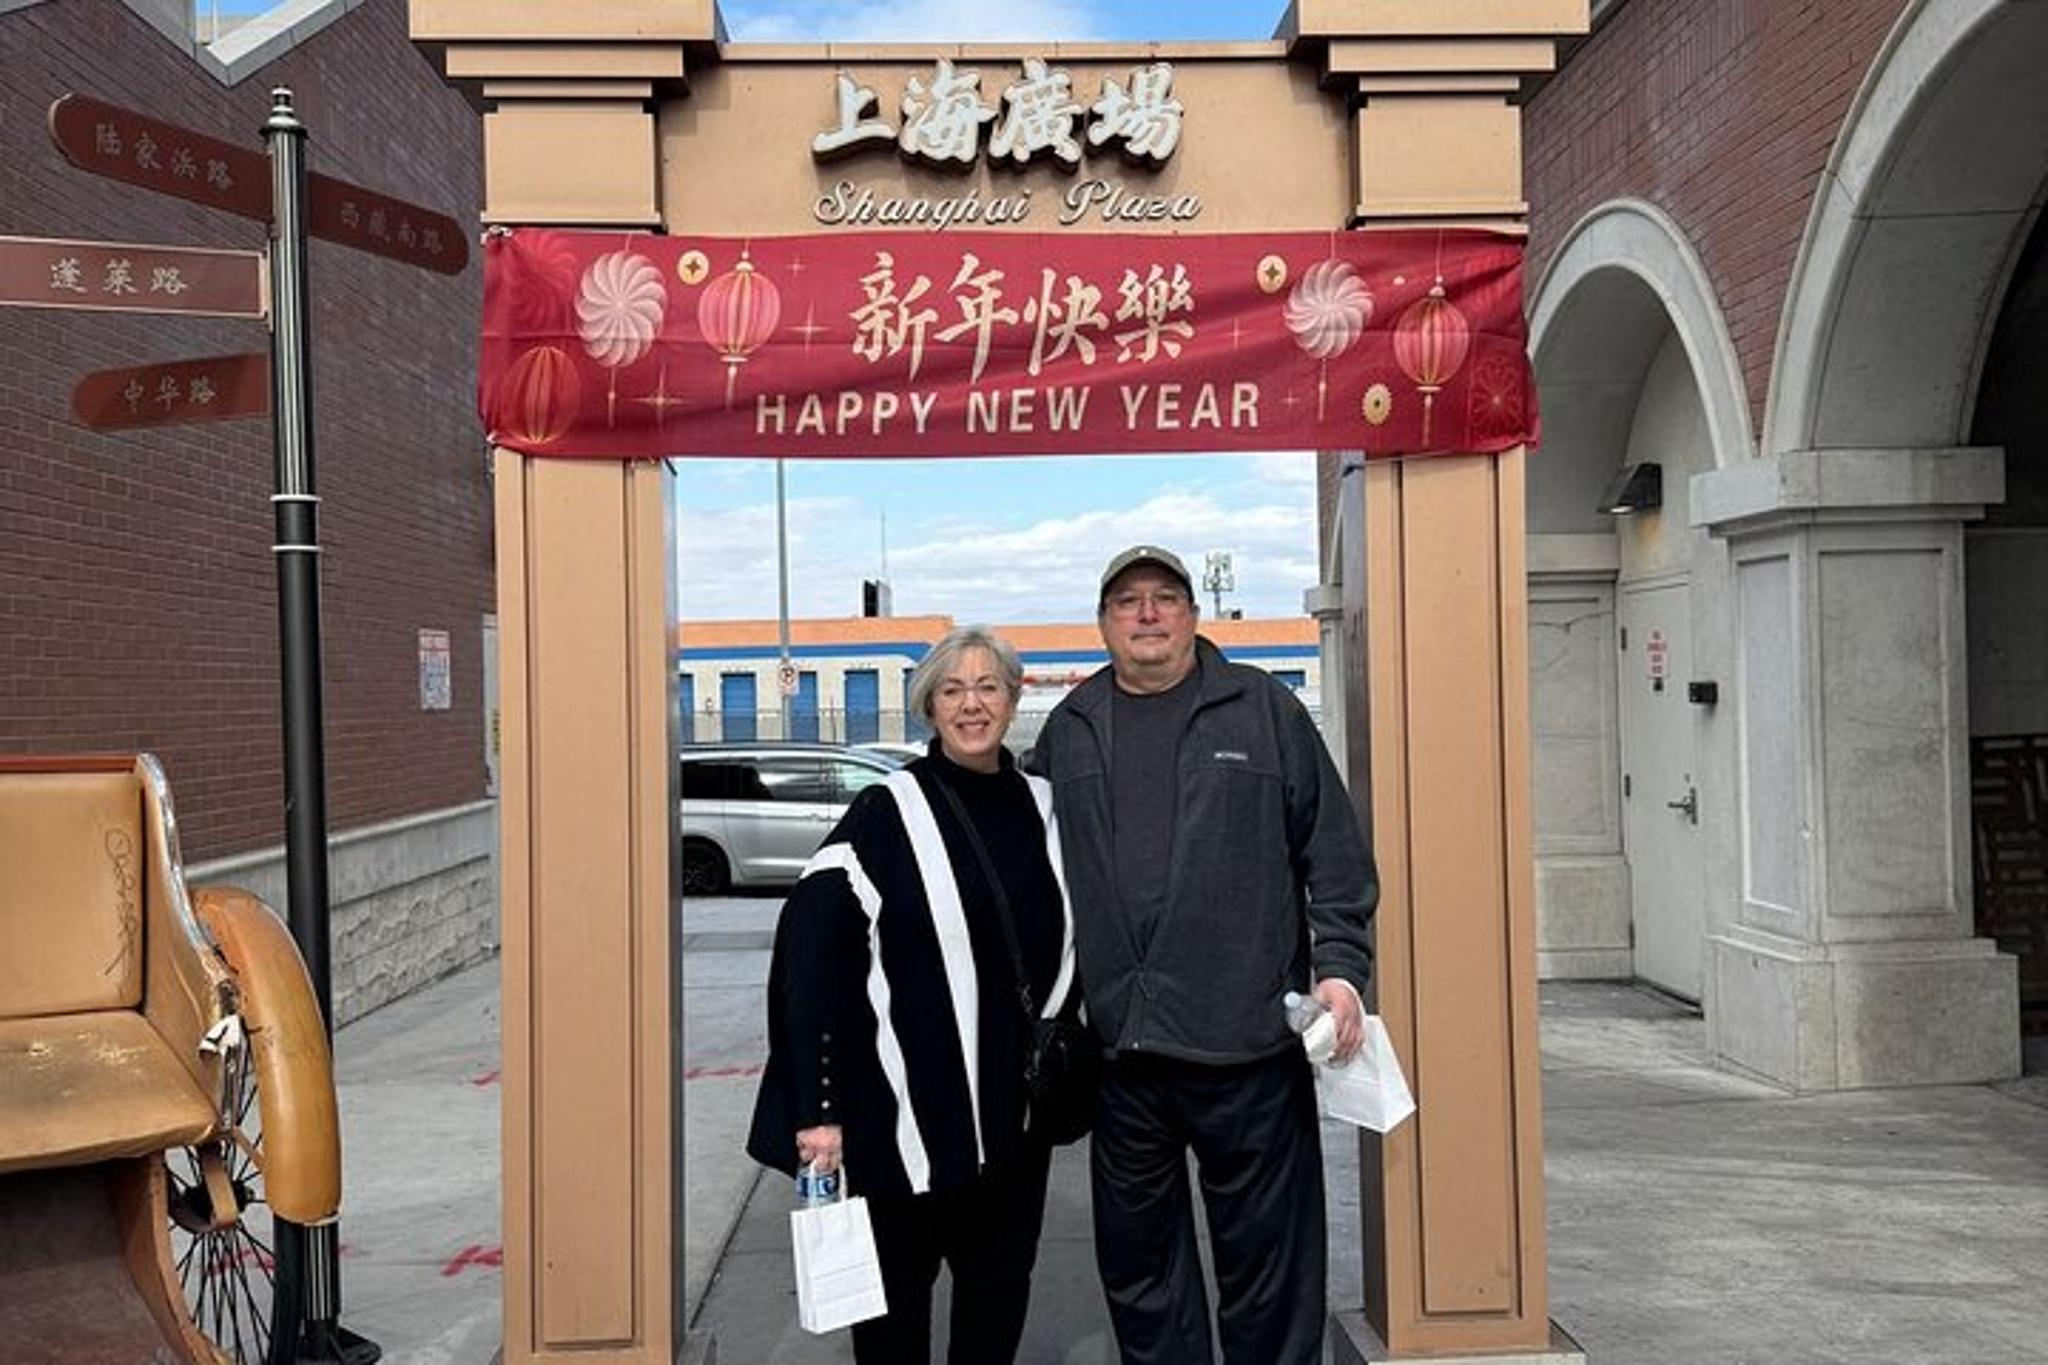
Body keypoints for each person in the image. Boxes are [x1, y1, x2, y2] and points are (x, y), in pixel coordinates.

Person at [1028, 544, 1378, 1365]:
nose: (1147, 613)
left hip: (1248, 1045)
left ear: (1193, 615)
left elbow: (1334, 855)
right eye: (1127, 602)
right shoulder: (1071, 730)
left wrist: (1342, 969)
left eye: (1164, 598)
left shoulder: (1261, 709)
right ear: (1104, 623)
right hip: (1123, 1054)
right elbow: (1026, 877)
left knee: (1270, 1271)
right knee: (1142, 1275)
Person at [747, 626, 1078, 1364]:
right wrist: (818, 1112)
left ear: (1013, 699)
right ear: (928, 707)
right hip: (899, 1129)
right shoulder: (883, 814)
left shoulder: (1050, 809)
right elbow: (810, 966)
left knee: (996, 1307)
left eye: (988, 686)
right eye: (952, 689)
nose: (971, 704)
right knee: (894, 1328)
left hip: (1014, 1127)